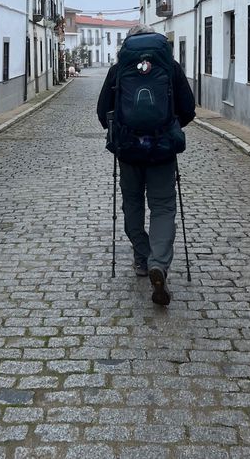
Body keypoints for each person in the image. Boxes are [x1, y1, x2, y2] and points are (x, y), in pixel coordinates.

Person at [96, 24, 195, 306]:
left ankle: (142, 257)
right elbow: (188, 108)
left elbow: (103, 113)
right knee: (163, 207)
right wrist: (167, 126)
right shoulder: (170, 67)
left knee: (132, 205)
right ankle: (159, 263)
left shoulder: (118, 70)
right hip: (163, 151)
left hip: (128, 152)